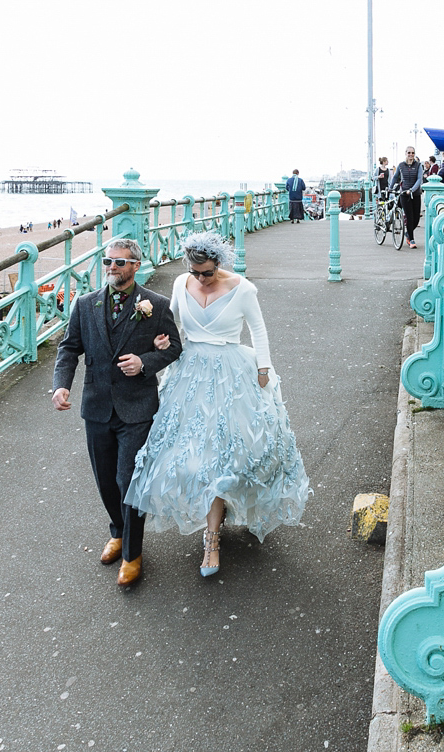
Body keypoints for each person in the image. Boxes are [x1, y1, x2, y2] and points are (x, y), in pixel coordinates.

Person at [126, 232, 311, 578]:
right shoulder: (182, 283)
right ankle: (212, 529)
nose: (200, 279)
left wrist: (263, 369)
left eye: (207, 272)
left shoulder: (243, 289)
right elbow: (172, 327)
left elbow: (259, 331)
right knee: (187, 457)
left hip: (232, 376)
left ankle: (213, 537)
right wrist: (161, 339)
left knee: (234, 455)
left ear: (219, 264)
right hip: (190, 375)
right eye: (195, 272)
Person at [52, 239, 183, 587]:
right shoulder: (84, 305)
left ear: (135, 265)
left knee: (129, 480)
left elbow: (175, 348)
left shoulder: (155, 305)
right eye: (107, 260)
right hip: (96, 405)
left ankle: (132, 553)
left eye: (120, 262)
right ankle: (118, 530)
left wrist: (145, 362)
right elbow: (69, 349)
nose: (112, 266)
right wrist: (61, 385)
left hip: (137, 407)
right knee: (106, 480)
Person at [389, 147, 424, 249]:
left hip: (415, 194)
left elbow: (419, 179)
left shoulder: (418, 165)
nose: (411, 154)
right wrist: (390, 188)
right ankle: (412, 239)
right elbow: (395, 177)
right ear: (405, 153)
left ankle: (408, 233)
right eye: (409, 152)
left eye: (412, 153)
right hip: (404, 194)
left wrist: (412, 190)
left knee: (416, 218)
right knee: (409, 217)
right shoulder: (401, 165)